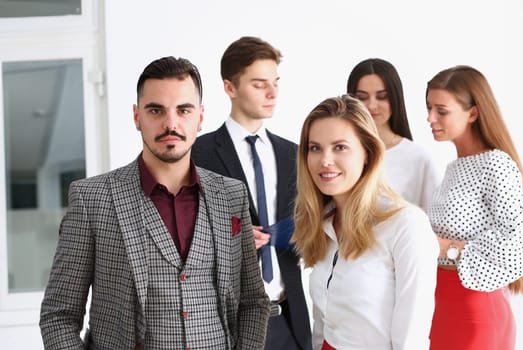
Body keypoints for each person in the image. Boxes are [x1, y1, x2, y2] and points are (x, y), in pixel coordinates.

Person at [39, 56, 270, 349]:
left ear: (200, 117)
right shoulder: (92, 199)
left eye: (183, 110)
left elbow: (253, 301)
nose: (170, 123)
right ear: (137, 116)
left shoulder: (232, 195)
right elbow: (58, 315)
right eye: (156, 110)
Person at [192, 36, 312, 350]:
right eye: (259, 84)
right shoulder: (198, 155)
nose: (272, 93)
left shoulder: (294, 155)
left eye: (275, 82)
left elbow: (311, 230)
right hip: (227, 325)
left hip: (290, 320)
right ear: (229, 87)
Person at [292, 95, 439, 350]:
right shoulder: (322, 224)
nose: (325, 160)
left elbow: (412, 339)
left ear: (368, 154)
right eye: (315, 148)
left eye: (340, 147)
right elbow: (322, 325)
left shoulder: (406, 225)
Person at [425, 65, 523, 350]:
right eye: (429, 108)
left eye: (441, 111)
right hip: (439, 306)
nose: (430, 118)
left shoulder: (495, 165)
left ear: (473, 113)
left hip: (474, 312)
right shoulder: (452, 169)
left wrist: (446, 248)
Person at [347, 58, 439, 210]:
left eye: (382, 96)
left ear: (395, 98)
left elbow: (434, 225)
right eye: (362, 97)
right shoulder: (338, 152)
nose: (371, 105)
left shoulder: (417, 158)